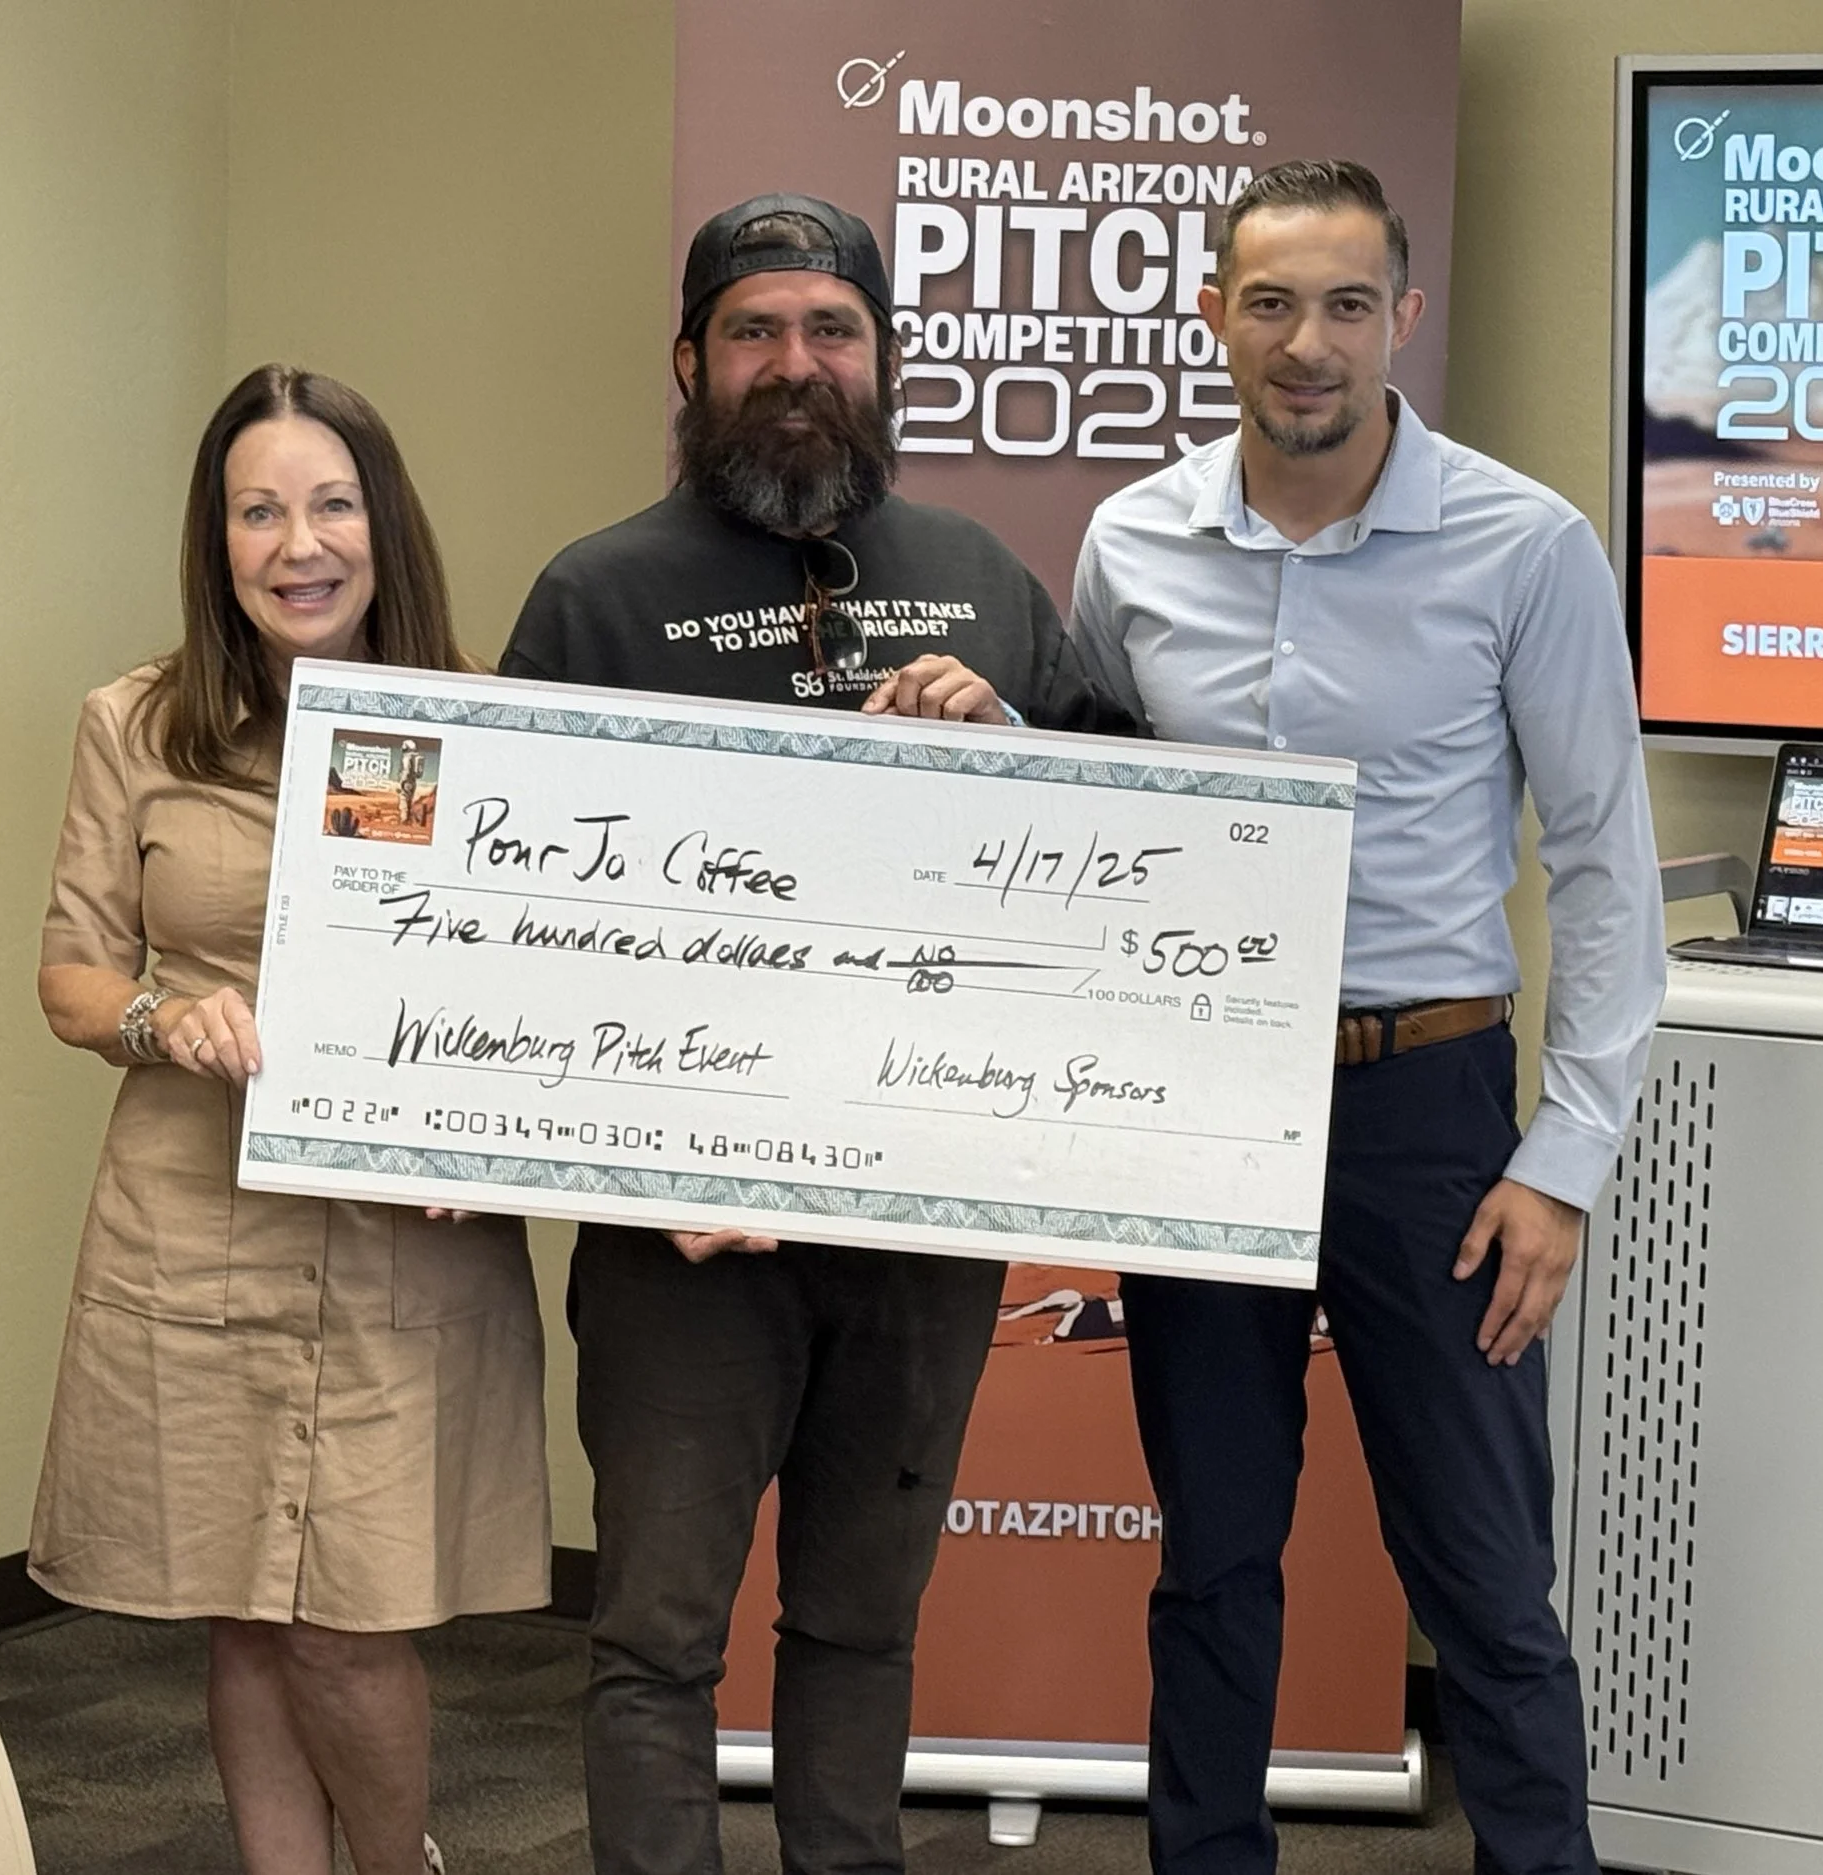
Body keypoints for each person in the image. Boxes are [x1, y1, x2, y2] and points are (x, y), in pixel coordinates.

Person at [502, 192, 1134, 1875]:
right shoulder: (595, 599)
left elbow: (1131, 846)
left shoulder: (984, 581)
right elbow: (498, 929)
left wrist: (1003, 725)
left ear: (884, 357)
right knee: (655, 1638)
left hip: (918, 1220)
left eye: (830, 331)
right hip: (681, 1239)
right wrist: (628, 1149)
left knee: (862, 1622)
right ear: (692, 364)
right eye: (758, 332)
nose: (797, 366)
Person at [1069, 160, 1665, 1875]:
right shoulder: (1132, 541)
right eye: (1270, 304)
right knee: (1216, 1556)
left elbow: (1609, 873)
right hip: (1200, 1109)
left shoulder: (1524, 544)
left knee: (1480, 1566)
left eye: (1345, 305)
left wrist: (1563, 1161)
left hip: (1429, 1111)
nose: (1307, 343)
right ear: (1214, 318)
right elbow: (1091, 817)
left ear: (1403, 317)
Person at [33, 364, 549, 1875]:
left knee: (348, 1627)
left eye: (329, 503)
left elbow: (544, 978)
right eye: (258, 510)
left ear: (383, 525)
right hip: (191, 1224)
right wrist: (161, 1018)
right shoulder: (133, 720)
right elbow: (71, 973)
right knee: (244, 1613)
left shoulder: (476, 722)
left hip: (403, 1242)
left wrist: (483, 1126)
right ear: (219, 539)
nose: (296, 542)